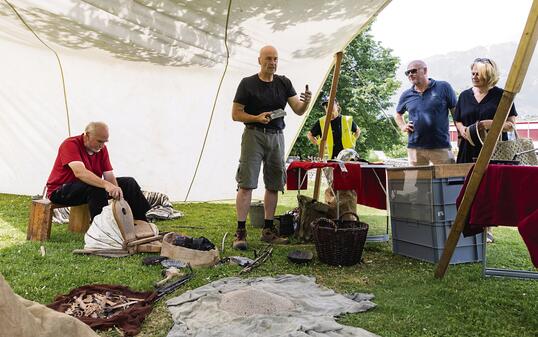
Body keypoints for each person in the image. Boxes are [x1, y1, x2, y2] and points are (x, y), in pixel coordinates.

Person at [231, 45, 311, 250]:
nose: (272, 62)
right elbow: (236, 114)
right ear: (259, 60)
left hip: (276, 137)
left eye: (275, 59)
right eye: (268, 58)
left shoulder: (284, 83)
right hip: (253, 135)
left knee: (274, 184)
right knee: (246, 183)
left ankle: (268, 230)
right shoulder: (247, 83)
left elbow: (298, 110)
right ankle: (240, 232)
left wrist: (307, 101)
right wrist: (256, 117)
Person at [454, 58, 517, 243]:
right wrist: (462, 130)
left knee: (488, 189)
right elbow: (457, 119)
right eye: (472, 72)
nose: (474, 76)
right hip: (468, 147)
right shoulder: (465, 95)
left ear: (489, 74)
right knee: (466, 187)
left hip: (494, 149)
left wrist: (491, 124)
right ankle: (467, 225)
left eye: (478, 73)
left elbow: (511, 124)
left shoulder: (502, 95)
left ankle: (487, 228)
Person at [46, 122, 150, 221]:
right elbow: (80, 172)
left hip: (85, 188)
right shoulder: (70, 144)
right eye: (99, 141)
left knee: (129, 183)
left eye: (105, 142)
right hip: (60, 190)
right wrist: (106, 185)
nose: (102, 145)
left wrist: (116, 191)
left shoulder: (102, 149)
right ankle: (102, 227)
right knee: (96, 186)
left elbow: (109, 175)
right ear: (87, 136)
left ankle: (141, 221)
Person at [394, 60, 457, 166]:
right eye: (407, 72)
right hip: (414, 149)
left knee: (448, 179)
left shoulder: (443, 87)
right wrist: (403, 126)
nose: (410, 74)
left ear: (425, 70)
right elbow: (397, 114)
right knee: (416, 182)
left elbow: (455, 111)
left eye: (413, 71)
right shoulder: (406, 95)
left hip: (441, 147)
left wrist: (460, 134)